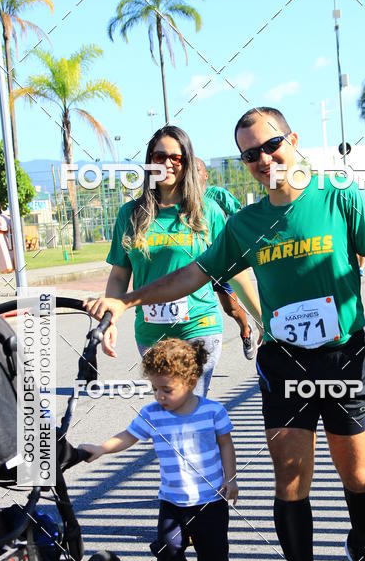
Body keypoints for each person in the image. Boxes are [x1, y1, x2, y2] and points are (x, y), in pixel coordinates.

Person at [85, 106, 365, 561]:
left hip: (342, 358)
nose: (263, 159)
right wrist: (127, 301)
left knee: (357, 475)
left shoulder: (340, 200)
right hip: (284, 362)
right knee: (290, 480)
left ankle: (361, 541)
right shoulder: (246, 224)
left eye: (270, 145)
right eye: (250, 154)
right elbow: (194, 273)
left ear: (293, 139)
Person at [80, 338, 237, 561]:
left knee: (213, 551)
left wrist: (231, 479)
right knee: (167, 545)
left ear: (190, 382)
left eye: (167, 389)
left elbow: (226, 444)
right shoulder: (152, 414)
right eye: (154, 389)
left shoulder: (212, 412)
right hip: (172, 499)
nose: (159, 396)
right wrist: (102, 448)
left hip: (210, 499)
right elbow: (129, 436)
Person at [101, 125, 261, 397]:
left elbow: (235, 271)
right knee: (170, 409)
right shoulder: (130, 214)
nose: (167, 164)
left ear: (186, 162)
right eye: (159, 156)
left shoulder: (207, 211)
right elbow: (119, 276)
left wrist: (262, 321)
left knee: (186, 405)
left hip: (200, 326)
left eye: (177, 158)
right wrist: (109, 320)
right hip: (151, 335)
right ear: (150, 161)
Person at [195, 158, 258, 359]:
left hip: (221, 262)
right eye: (190, 169)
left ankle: (246, 330)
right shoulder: (180, 200)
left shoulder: (216, 195)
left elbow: (238, 214)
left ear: (205, 175)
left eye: (198, 169)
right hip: (195, 265)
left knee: (231, 309)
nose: (193, 173)